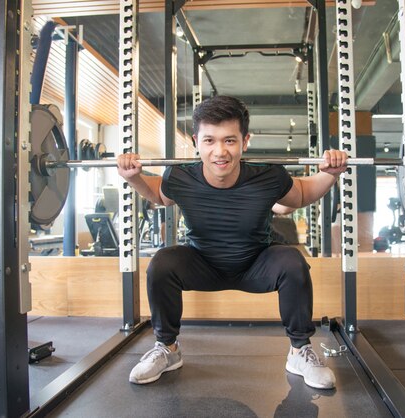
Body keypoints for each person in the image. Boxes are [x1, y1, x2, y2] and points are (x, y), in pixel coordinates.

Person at [117, 96, 348, 389]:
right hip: (202, 264)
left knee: (292, 261)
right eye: (210, 141)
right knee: (162, 262)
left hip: (256, 265)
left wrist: (331, 173)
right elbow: (159, 195)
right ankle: (168, 349)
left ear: (245, 141)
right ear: (196, 142)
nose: (219, 151)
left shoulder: (267, 176)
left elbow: (301, 194)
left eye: (229, 140)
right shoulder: (180, 176)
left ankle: (299, 350)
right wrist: (132, 177)